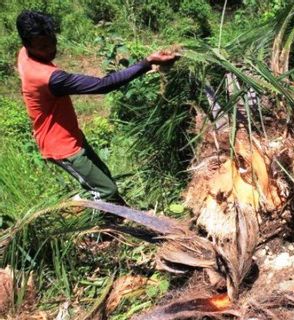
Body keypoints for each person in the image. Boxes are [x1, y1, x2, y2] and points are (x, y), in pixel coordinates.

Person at [16, 10, 179, 206]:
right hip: (62, 148)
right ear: (28, 44)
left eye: (52, 40)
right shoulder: (49, 77)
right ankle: (90, 228)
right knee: (105, 190)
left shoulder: (24, 54)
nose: (51, 49)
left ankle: (113, 216)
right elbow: (103, 85)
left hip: (70, 134)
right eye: (43, 46)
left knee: (104, 177)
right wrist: (147, 62)